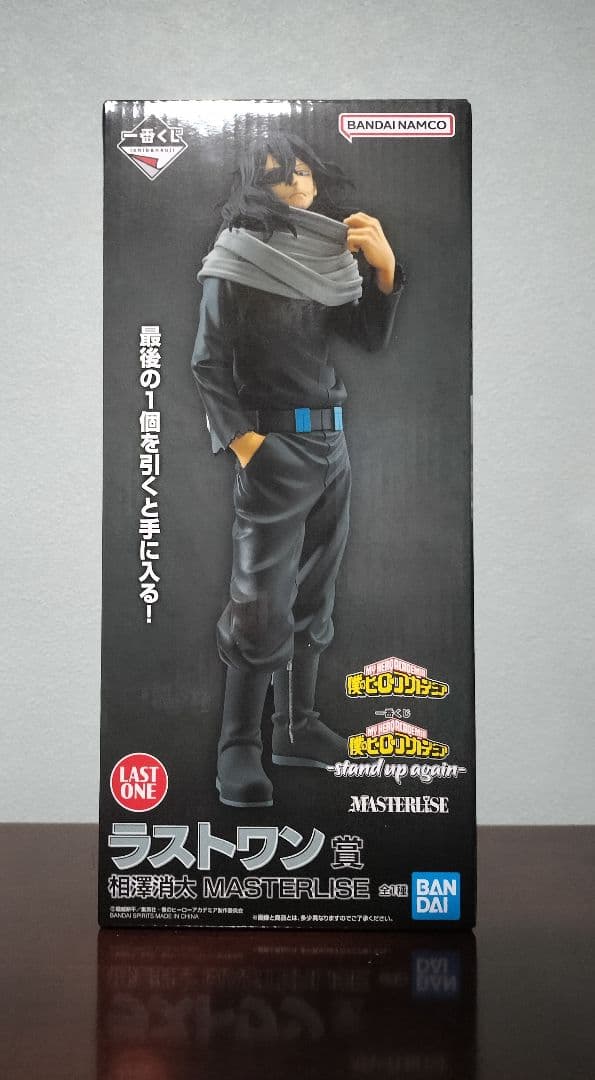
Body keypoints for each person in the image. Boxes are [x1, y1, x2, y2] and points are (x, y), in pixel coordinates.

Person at [191, 132, 405, 807]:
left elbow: (368, 338)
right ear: (254, 186)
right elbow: (207, 362)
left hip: (331, 444)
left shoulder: (322, 254)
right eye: (278, 174)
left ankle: (296, 726)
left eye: (303, 169)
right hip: (275, 447)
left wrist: (384, 270)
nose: (297, 182)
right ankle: (238, 746)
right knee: (260, 600)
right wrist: (246, 445)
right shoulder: (236, 258)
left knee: (315, 592)